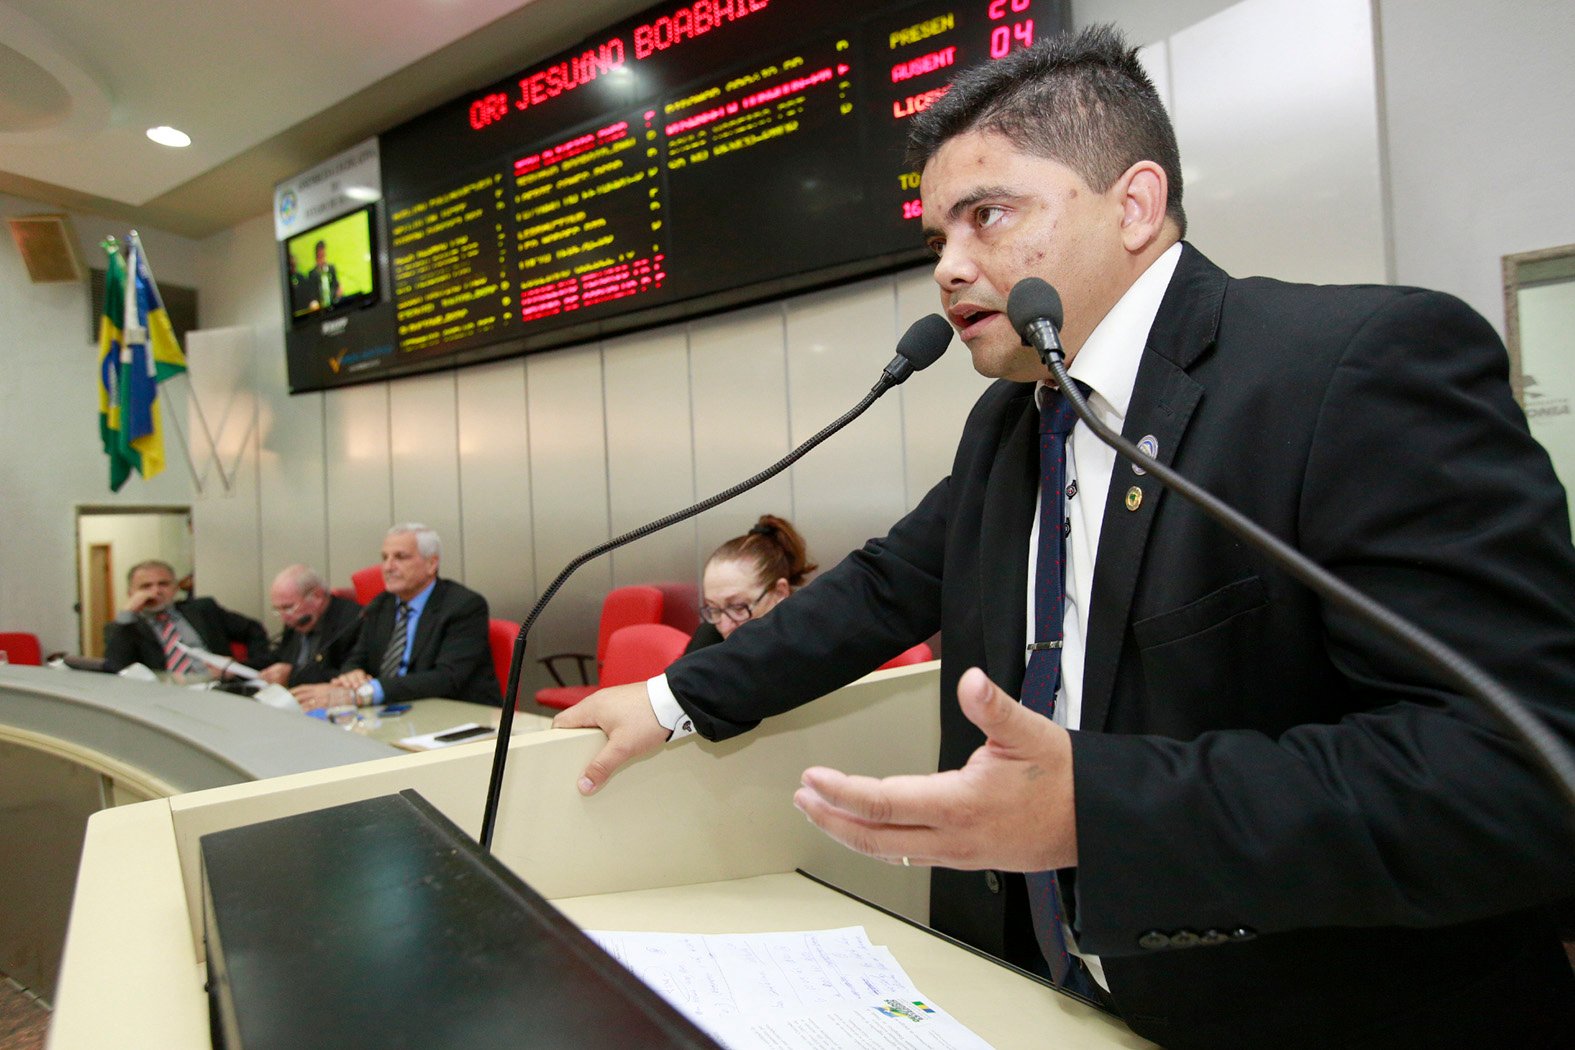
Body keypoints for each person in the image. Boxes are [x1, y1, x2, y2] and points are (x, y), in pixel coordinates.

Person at [556, 26, 1575, 1047]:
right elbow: (882, 587)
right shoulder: (1014, 418)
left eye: (987, 217)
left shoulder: (1356, 370)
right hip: (1046, 995)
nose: (950, 270)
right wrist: (672, 696)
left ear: (1133, 205)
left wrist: (1100, 809)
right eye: (935, 240)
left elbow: (1513, 774)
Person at [292, 524, 501, 709]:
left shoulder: (464, 605)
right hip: (396, 710)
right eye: (385, 558)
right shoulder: (381, 604)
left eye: (400, 557)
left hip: (456, 714)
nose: (388, 567)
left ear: (431, 564)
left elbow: (447, 678)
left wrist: (361, 694)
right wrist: (352, 675)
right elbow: (357, 657)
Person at [103, 559, 270, 676]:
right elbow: (117, 668)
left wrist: (245, 668)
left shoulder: (203, 609)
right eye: (146, 586)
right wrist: (127, 613)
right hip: (165, 697)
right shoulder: (124, 628)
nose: (156, 591)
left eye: (163, 584)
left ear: (175, 588)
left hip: (219, 689)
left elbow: (253, 629)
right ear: (131, 593)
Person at [685, 515, 817, 654]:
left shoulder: (814, 643)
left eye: (738, 607)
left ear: (780, 593)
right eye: (714, 609)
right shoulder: (709, 639)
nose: (724, 626)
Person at [256, 564, 363, 687]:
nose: (284, 617)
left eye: (288, 607)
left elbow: (348, 676)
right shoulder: (296, 619)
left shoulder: (352, 621)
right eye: (278, 609)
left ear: (317, 596)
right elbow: (280, 657)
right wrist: (239, 667)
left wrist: (294, 676)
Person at [306, 239, 339, 311]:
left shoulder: (331, 269)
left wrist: (338, 291)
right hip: (320, 309)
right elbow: (312, 294)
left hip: (334, 304)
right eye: (320, 256)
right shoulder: (312, 274)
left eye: (323, 255)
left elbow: (336, 285)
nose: (322, 259)